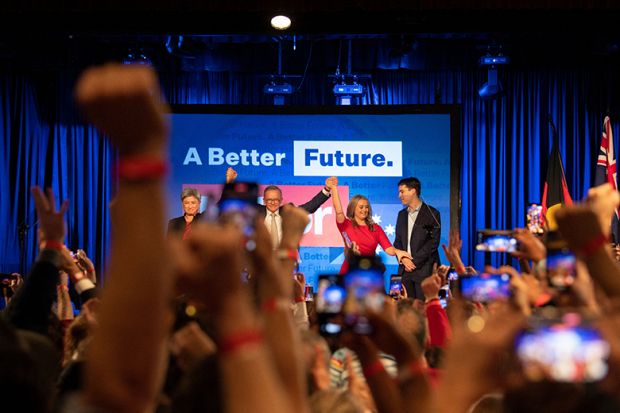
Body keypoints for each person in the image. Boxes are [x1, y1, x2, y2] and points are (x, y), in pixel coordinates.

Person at [226, 167, 335, 248]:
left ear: (281, 200)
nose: (273, 203)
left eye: (276, 200)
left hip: (283, 261)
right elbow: (232, 204)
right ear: (264, 200)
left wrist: (326, 189)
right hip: (261, 261)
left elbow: (311, 206)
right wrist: (229, 183)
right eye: (269, 200)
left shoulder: (288, 212)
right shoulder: (257, 212)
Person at [328, 180, 410, 274]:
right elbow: (338, 210)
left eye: (366, 207)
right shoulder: (345, 225)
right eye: (361, 207)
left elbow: (389, 249)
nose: (365, 210)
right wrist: (334, 188)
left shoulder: (376, 228)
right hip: (349, 273)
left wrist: (398, 252)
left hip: (369, 273)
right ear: (353, 208)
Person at [393, 177, 441, 300]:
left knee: (423, 310)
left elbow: (432, 243)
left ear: (413, 191)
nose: (399, 195)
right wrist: (403, 258)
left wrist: (413, 262)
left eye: (402, 191)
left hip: (424, 270)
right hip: (405, 271)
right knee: (405, 310)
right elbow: (398, 241)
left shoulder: (432, 213)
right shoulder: (401, 215)